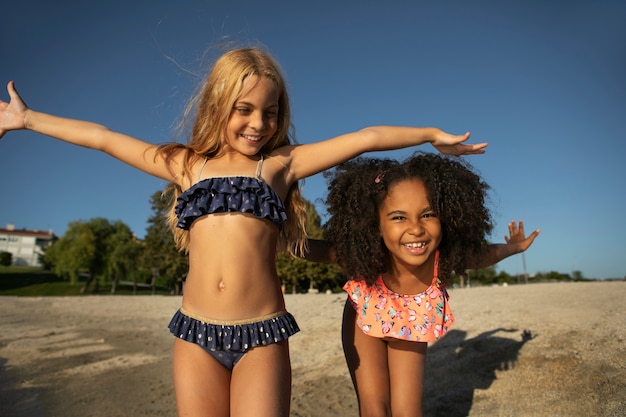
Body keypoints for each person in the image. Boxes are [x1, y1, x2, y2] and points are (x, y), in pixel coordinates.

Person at [0, 47, 488, 417]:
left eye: (270, 112)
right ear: (219, 104)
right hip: (194, 335)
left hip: (262, 336)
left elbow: (364, 138)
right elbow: (104, 138)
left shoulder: (280, 165)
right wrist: (28, 119)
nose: (258, 123)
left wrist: (429, 134)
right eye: (244, 109)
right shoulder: (186, 166)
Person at [309, 152, 539, 417]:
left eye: (427, 214)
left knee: (408, 411)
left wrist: (514, 247)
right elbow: (321, 250)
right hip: (364, 320)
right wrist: (281, 240)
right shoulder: (370, 253)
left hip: (412, 322)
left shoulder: (441, 259)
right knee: (374, 407)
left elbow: (485, 256)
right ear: (375, 224)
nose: (416, 229)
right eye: (398, 217)